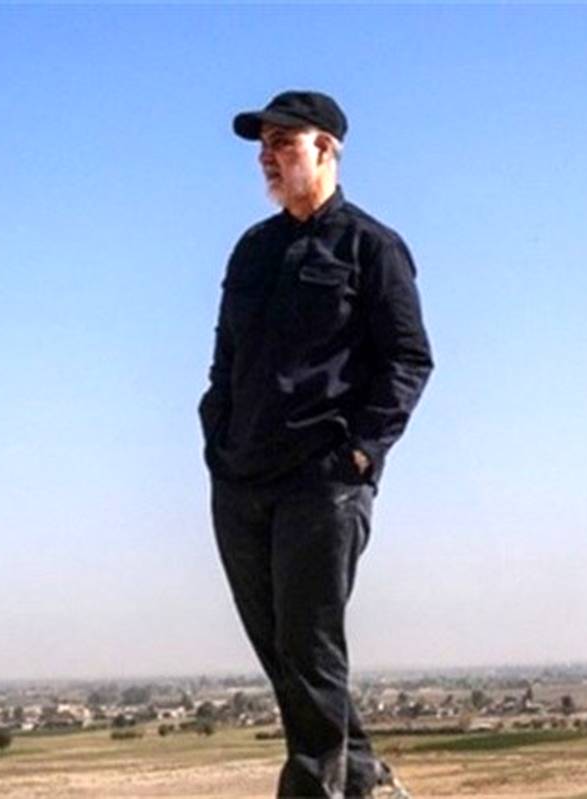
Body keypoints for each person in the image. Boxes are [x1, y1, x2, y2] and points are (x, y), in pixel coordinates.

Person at [199, 90, 433, 799]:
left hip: (321, 481)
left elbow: (408, 359)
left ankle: (312, 790)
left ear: (326, 148)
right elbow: (225, 359)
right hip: (241, 479)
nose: (267, 158)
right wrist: (217, 437)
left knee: (309, 644)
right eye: (262, 146)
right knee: (284, 653)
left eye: (283, 142)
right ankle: (361, 778)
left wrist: (360, 453)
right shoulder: (253, 249)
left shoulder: (371, 246)